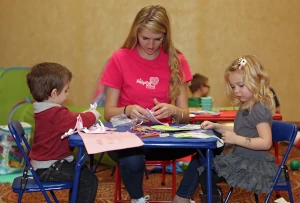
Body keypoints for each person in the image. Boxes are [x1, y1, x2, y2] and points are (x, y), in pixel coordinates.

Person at [100, 5, 199, 203]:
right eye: (145, 38)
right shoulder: (120, 58)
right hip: (128, 137)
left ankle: (182, 197)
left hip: (163, 138)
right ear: (136, 32)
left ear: (166, 35)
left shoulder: (177, 60)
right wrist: (128, 110)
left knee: (214, 147)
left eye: (158, 39)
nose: (151, 45)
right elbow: (108, 113)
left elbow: (186, 116)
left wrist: (174, 110)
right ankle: (138, 199)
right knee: (132, 159)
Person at [197, 55, 285, 203]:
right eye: (233, 86)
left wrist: (236, 139)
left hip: (253, 166)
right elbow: (241, 133)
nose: (236, 91)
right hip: (240, 160)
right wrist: (216, 126)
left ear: (256, 82)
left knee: (206, 172)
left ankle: (214, 197)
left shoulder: (258, 109)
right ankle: (214, 196)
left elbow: (265, 142)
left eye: (241, 85)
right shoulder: (245, 105)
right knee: (204, 169)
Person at [26, 62, 100, 203]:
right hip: (49, 168)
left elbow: (70, 120)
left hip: (46, 165)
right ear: (54, 93)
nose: (67, 94)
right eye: (66, 90)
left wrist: (81, 115)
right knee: (88, 180)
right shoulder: (55, 113)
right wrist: (94, 114)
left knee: (81, 172)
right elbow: (78, 121)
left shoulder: (45, 110)